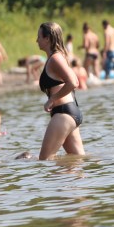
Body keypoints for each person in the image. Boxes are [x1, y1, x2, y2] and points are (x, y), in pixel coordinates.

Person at [36, 22, 85, 160]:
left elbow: (73, 82)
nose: (37, 40)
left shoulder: (55, 59)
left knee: (44, 160)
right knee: (76, 161)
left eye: (39, 36)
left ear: (47, 38)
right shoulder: (59, 57)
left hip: (63, 114)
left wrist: (52, 99)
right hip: (69, 112)